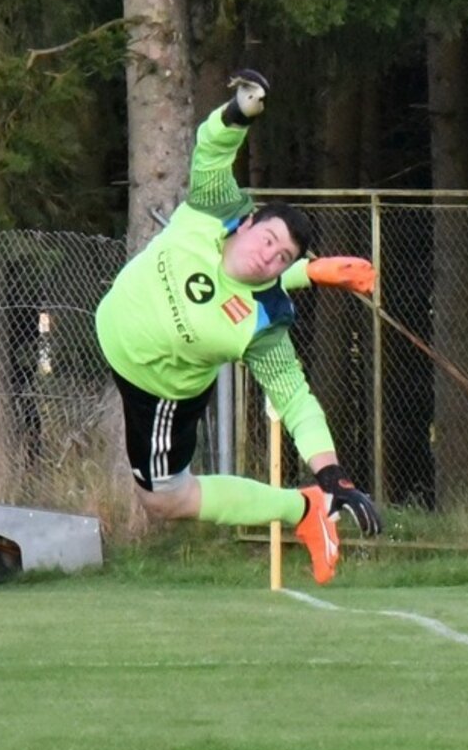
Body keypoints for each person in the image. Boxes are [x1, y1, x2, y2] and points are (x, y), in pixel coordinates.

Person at [95, 70, 384, 584]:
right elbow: (211, 149)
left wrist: (332, 474)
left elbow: (296, 399)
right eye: (269, 239)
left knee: (165, 503)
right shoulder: (215, 207)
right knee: (162, 499)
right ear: (248, 222)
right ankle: (303, 509)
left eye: (284, 259)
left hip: (158, 394)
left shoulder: (264, 324)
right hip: (119, 342)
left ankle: (305, 508)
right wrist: (240, 111)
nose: (268, 255)